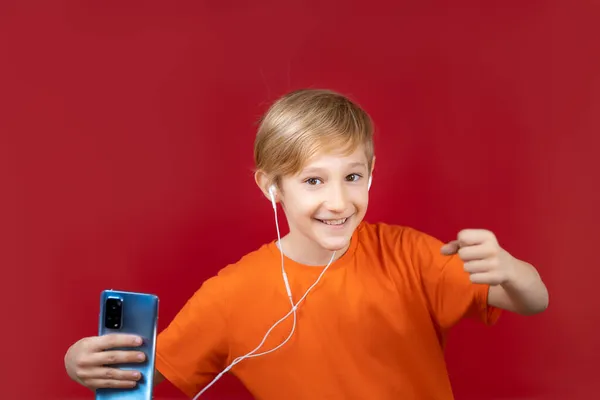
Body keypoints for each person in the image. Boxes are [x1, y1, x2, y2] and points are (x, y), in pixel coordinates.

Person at [64, 89, 549, 399]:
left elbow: (533, 300)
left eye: (352, 176)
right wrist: (78, 362)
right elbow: (140, 370)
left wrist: (512, 271)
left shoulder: (409, 254)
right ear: (270, 186)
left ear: (372, 173)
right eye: (313, 181)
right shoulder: (232, 294)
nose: (338, 201)